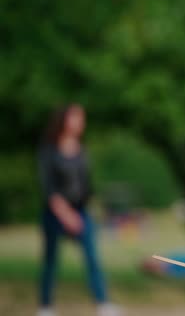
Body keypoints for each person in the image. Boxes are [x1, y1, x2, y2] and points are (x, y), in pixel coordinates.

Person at [37, 104, 119, 316]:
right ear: (64, 120)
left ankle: (103, 303)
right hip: (54, 214)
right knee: (50, 261)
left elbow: (86, 186)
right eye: (77, 117)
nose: (81, 122)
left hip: (81, 212)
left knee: (93, 259)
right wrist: (66, 215)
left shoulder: (82, 149)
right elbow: (49, 188)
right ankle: (46, 307)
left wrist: (89, 210)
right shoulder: (49, 150)